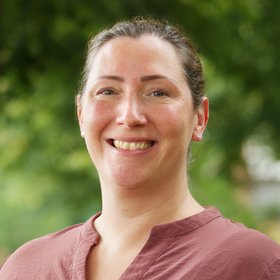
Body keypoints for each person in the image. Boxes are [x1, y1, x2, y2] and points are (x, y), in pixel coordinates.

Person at [1, 17, 280, 280]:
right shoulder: (25, 268)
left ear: (200, 118)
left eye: (158, 92)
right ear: (81, 114)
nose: (130, 115)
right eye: (108, 91)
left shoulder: (253, 265)